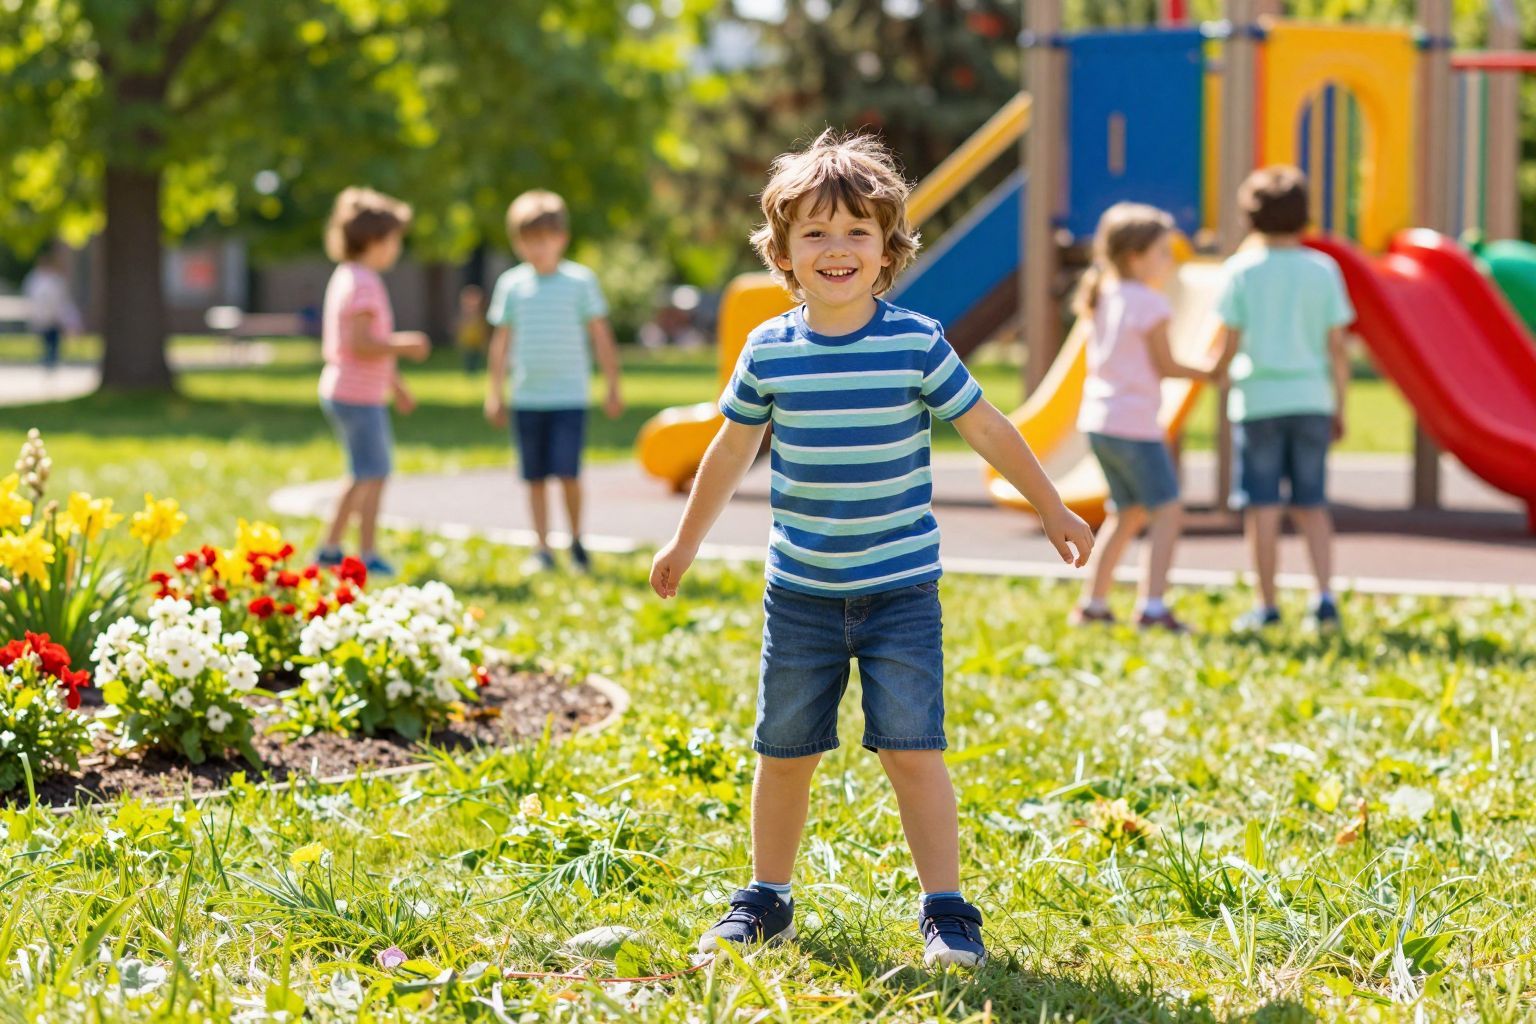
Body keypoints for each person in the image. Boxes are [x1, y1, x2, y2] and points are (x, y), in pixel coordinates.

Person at [648, 131, 1093, 968]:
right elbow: (729, 451)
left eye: (857, 231)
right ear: (782, 252)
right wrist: (685, 540)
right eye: (814, 233)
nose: (837, 248)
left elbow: (987, 427)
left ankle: (947, 911)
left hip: (899, 593)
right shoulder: (769, 351)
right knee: (784, 753)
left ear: (888, 248)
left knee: (912, 751)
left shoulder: (915, 341)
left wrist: (1052, 505)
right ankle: (766, 900)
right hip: (803, 596)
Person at [1211, 166, 1354, 632]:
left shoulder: (1240, 270)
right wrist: (1340, 405)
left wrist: (1210, 374)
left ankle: (1267, 605)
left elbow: (1227, 348)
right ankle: (1325, 598)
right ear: (1304, 216)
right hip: (1312, 398)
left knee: (1262, 506)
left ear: (1250, 217)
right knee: (1313, 504)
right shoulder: (1323, 269)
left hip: (1257, 401)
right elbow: (1337, 349)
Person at [1070, 203, 1215, 633]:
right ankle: (1153, 607)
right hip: (1133, 425)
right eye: (1163, 252)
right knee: (1167, 510)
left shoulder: (1103, 293)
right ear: (1136, 257)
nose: (1169, 261)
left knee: (1127, 511)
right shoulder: (1149, 302)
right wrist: (1210, 370)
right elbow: (1166, 364)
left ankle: (1093, 603)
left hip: (1099, 421)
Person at [484, 190, 623, 573]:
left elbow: (601, 337)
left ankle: (577, 542)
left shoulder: (580, 282)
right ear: (517, 243)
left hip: (569, 398)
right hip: (527, 397)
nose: (537, 248)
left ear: (561, 238)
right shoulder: (512, 286)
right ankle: (541, 548)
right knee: (534, 478)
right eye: (528, 241)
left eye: (544, 240)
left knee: (568, 473)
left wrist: (613, 385)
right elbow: (501, 342)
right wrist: (494, 392)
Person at [314, 187, 431, 576]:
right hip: (355, 395)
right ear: (375, 240)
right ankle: (360, 551)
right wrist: (405, 346)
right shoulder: (363, 283)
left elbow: (365, 348)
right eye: (395, 239)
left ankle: (334, 548)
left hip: (351, 390)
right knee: (371, 472)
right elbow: (363, 344)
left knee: (365, 471)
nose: (398, 247)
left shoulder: (349, 276)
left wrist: (395, 384)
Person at [23, 246, 80, 371]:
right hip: (41, 317)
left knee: (53, 341)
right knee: (45, 341)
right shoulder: (34, 279)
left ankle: (52, 363)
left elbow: (61, 299)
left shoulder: (55, 280)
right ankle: (48, 362)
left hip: (54, 317)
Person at [456, 284, 489, 374]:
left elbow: (482, 329)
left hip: (477, 342)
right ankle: (469, 371)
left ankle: (474, 371)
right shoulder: (463, 315)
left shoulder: (480, 315)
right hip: (467, 342)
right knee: (468, 358)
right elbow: (460, 328)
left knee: (476, 358)